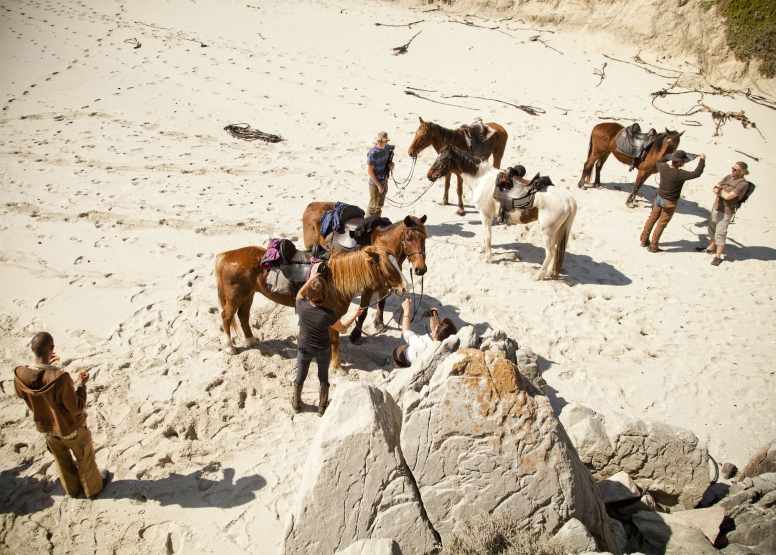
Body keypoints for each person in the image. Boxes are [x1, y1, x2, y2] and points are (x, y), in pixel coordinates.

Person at [14, 332, 109, 498]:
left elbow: (22, 394)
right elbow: (76, 407)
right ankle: (93, 489)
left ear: (32, 349)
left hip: (46, 427)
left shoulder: (20, 374)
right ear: (52, 349)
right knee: (84, 457)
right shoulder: (59, 378)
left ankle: (72, 490)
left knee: (61, 459)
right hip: (69, 427)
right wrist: (81, 385)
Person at [293, 276, 364, 416]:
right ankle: (322, 406)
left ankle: (296, 403)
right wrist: (355, 315)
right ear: (326, 295)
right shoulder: (329, 314)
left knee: (300, 377)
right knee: (323, 378)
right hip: (323, 349)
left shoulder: (301, 306)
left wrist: (311, 279)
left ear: (309, 293)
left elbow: (299, 294)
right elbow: (342, 328)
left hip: (304, 348)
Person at [639, 150, 706, 253]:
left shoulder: (663, 168)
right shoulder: (680, 174)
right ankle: (653, 246)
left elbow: (659, 161)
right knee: (661, 224)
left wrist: (669, 156)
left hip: (659, 198)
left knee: (652, 219)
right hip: (669, 202)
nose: (684, 163)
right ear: (679, 162)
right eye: (683, 161)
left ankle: (644, 240)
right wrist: (702, 160)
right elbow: (697, 173)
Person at [696, 161, 750, 266]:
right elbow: (714, 188)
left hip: (727, 211)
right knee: (712, 228)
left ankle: (718, 256)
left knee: (720, 232)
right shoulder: (728, 177)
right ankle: (710, 247)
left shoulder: (743, 183)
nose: (732, 170)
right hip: (716, 207)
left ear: (742, 172)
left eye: (735, 169)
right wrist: (721, 191)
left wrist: (720, 190)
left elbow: (729, 197)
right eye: (732, 168)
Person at [392, 299, 458, 368]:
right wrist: (433, 319)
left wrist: (406, 310)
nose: (435, 329)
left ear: (436, 335)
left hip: (409, 356)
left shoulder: (424, 345)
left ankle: (399, 364)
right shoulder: (443, 340)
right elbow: (436, 331)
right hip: (420, 348)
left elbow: (406, 332)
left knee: (395, 352)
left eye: (436, 327)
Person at [366, 131, 395, 217]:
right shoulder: (372, 153)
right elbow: (370, 171)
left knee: (379, 206)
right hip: (375, 184)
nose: (379, 142)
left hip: (384, 181)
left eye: (382, 141)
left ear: (386, 142)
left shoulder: (387, 148)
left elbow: (388, 160)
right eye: (378, 140)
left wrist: (392, 164)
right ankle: (366, 226)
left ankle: (377, 223)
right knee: (372, 207)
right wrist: (378, 185)